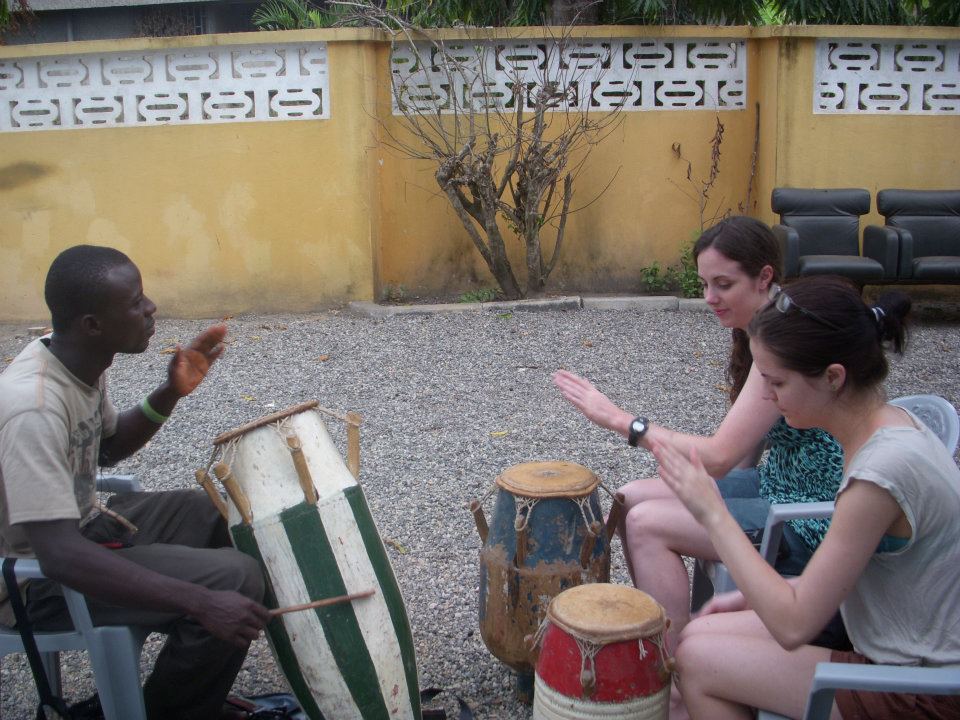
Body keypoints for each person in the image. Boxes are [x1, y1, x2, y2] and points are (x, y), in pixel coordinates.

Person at [654, 276, 960, 719]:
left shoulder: (880, 472)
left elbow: (794, 625)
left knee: (698, 662)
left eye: (776, 381)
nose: (765, 395)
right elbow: (860, 577)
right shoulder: (888, 426)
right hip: (895, 641)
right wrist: (754, 595)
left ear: (834, 377)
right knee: (696, 638)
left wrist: (712, 511)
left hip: (920, 688)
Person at [0, 245, 271, 720]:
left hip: (83, 527)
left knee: (218, 514)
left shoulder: (74, 360)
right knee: (236, 578)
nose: (151, 309)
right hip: (29, 584)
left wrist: (171, 392)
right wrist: (200, 601)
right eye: (135, 301)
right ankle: (171, 712)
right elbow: (59, 556)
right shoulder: (33, 407)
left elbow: (106, 446)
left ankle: (191, 693)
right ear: (92, 324)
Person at [552, 216, 844, 647]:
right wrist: (703, 484)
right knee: (631, 496)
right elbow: (740, 454)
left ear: (764, 277)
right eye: (704, 284)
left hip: (805, 518)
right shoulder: (764, 323)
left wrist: (621, 420)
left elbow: (722, 455)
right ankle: (643, 629)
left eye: (722, 284)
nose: (710, 298)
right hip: (775, 484)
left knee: (648, 524)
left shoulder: (788, 339)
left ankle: (676, 669)